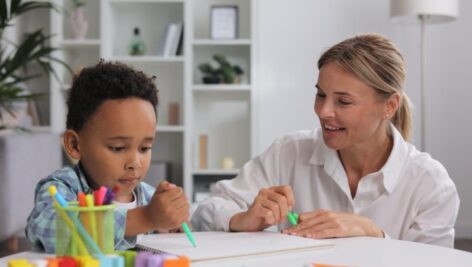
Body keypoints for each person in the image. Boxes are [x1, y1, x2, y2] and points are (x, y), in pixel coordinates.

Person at [191, 33, 459, 248]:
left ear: (389, 106)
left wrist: (374, 235)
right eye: (321, 95)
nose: (323, 111)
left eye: (343, 101)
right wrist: (242, 219)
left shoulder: (431, 186)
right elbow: (207, 211)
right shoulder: (289, 152)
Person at [26, 61, 190, 252]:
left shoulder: (149, 197)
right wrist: (145, 218)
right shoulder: (63, 187)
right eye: (117, 148)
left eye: (145, 148)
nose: (134, 163)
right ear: (74, 145)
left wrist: (172, 224)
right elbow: (48, 227)